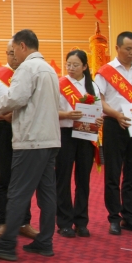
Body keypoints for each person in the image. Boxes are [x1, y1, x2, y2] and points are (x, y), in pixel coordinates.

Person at [0, 29, 60, 261]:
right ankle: (45, 242)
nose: (13, 54)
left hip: (31, 141)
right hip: (50, 139)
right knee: (47, 193)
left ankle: (7, 245)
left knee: (17, 192)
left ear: (23, 46)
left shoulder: (27, 68)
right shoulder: (49, 69)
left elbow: (15, 98)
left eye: (14, 49)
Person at [95, 31, 132, 236]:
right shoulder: (105, 72)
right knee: (113, 174)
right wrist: (116, 115)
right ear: (117, 48)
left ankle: (129, 217)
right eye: (128, 49)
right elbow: (100, 101)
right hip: (114, 124)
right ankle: (114, 218)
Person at [0, 39, 38, 240]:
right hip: (4, 130)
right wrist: (5, 116)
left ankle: (24, 222)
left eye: (16, 53)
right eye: (10, 53)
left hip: (26, 130)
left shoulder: (30, 75)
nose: (14, 57)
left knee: (24, 178)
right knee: (4, 178)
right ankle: (4, 221)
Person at [56, 50, 103, 238]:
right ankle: (64, 222)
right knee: (63, 178)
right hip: (65, 133)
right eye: (68, 64)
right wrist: (67, 115)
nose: (71, 68)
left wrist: (99, 120)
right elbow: (50, 110)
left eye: (75, 65)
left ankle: (81, 221)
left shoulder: (92, 86)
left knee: (83, 179)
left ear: (84, 66)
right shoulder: (60, 84)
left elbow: (98, 110)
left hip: (86, 133)